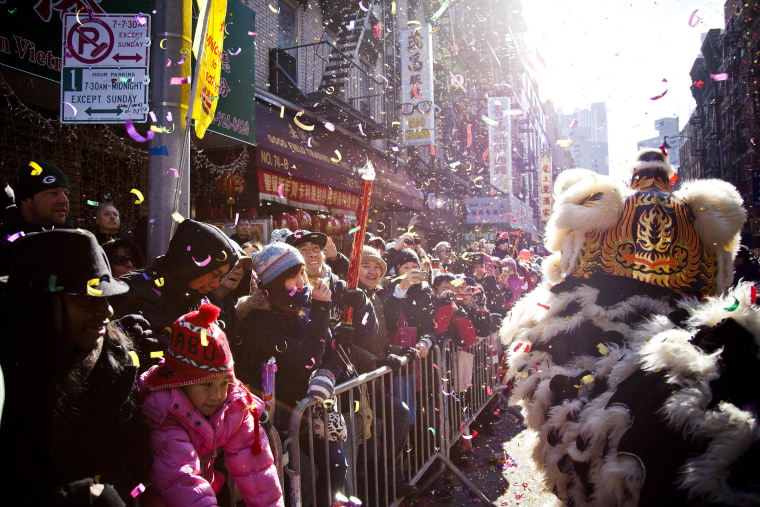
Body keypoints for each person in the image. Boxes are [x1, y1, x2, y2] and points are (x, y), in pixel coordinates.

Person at [0, 229, 152, 506]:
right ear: (39, 305)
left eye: (107, 298)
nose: (106, 311)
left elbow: (136, 453)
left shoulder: (116, 362)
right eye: (87, 298)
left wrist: (103, 492)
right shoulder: (7, 376)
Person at [231, 242, 346, 505]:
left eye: (303, 273)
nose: (303, 281)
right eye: (294, 275)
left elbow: (329, 350)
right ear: (275, 282)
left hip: (306, 414)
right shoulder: (259, 321)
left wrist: (325, 376)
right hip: (275, 422)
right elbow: (307, 359)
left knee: (336, 465)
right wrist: (321, 308)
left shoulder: (298, 309)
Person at [139, 303, 283, 507]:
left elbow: (257, 471)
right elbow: (183, 480)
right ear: (181, 381)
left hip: (210, 490)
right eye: (206, 384)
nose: (217, 395)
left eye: (224, 383)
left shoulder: (233, 406)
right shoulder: (164, 411)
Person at [110, 219, 240, 372]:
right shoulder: (131, 292)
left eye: (220, 277)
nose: (215, 284)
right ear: (190, 264)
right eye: (213, 274)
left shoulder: (200, 301)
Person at [0, 160, 71, 273]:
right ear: (25, 200)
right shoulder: (6, 250)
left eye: (66, 194)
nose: (64, 200)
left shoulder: (75, 244)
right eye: (53, 193)